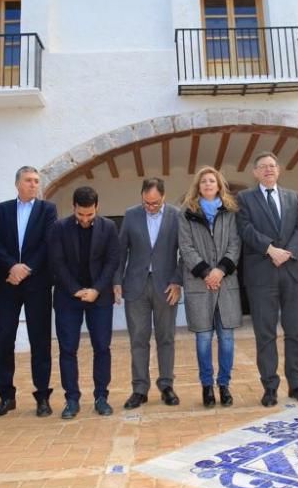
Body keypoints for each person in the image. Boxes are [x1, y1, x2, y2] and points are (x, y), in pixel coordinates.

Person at [236, 151, 298, 406]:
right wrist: (270, 249)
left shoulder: (293, 197)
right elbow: (245, 229)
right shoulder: (245, 198)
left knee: (296, 331)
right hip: (261, 274)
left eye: (272, 165)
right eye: (263, 166)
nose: (268, 169)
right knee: (265, 333)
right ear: (255, 172)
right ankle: (269, 387)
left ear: (278, 170)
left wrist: (287, 252)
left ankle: (297, 384)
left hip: (291, 271)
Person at [0, 166, 58, 418]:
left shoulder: (47, 210)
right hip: (7, 282)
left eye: (36, 181)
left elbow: (48, 242)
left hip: (37, 282)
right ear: (17, 183)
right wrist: (12, 266)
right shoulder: (2, 209)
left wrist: (26, 268)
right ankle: (6, 397)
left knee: (40, 340)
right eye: (28, 180)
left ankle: (42, 396)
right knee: (4, 339)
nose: (33, 184)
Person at [47, 186, 122, 418]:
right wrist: (77, 291)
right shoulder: (59, 228)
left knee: (102, 347)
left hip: (99, 299)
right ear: (74, 208)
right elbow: (56, 263)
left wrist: (97, 290)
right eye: (80, 215)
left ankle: (101, 397)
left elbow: (112, 261)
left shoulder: (109, 227)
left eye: (90, 215)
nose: (85, 219)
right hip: (68, 298)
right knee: (68, 349)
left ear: (97, 208)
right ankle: (71, 399)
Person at [113, 178, 183, 409]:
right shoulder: (131, 214)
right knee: (138, 339)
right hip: (136, 286)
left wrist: (177, 282)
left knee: (166, 337)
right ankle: (139, 389)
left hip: (166, 286)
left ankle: (166, 386)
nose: (150, 207)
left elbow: (185, 252)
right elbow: (121, 250)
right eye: (146, 203)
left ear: (163, 196)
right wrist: (116, 281)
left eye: (154, 203)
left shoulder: (176, 214)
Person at [178, 166, 243, 407]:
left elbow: (235, 244)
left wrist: (220, 270)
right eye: (203, 181)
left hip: (225, 282)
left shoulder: (230, 211)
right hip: (199, 282)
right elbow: (185, 247)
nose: (207, 184)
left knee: (226, 337)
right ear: (198, 185)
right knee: (203, 338)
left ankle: (224, 385)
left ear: (219, 186)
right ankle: (207, 386)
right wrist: (206, 272)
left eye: (212, 181)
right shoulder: (186, 212)